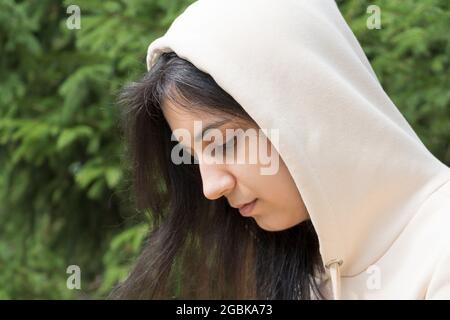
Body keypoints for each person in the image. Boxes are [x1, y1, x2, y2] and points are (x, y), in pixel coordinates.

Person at [110, 0, 450, 299]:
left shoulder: (440, 246)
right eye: (194, 157)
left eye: (224, 144)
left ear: (308, 106)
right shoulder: (298, 268)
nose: (211, 187)